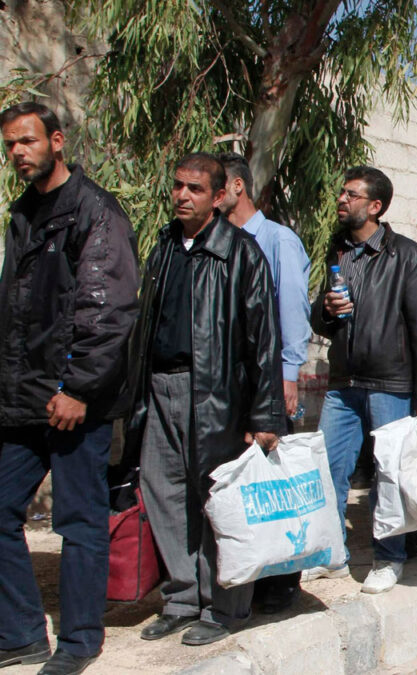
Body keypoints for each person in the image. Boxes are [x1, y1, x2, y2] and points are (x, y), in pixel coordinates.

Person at [0, 102, 139, 675]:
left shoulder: (95, 212)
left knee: (79, 523)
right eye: (10, 146)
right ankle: (23, 632)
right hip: (22, 397)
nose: (18, 154)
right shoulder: (23, 213)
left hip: (74, 401)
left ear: (57, 141)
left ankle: (80, 641)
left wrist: (79, 388)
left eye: (27, 141)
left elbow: (107, 312)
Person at [127, 153, 286, 646]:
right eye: (177, 186)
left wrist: (263, 414)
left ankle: (227, 607)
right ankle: (181, 598)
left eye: (195, 189)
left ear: (219, 197)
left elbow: (263, 339)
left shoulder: (241, 253)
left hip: (215, 394)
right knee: (166, 495)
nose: (182, 196)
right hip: (160, 388)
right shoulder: (165, 246)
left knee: (218, 503)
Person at [305, 167, 417, 594]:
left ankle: (389, 558)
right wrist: (326, 310)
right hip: (343, 383)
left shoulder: (407, 256)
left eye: (352, 194)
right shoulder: (338, 251)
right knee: (329, 471)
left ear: (375, 206)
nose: (342, 200)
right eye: (342, 193)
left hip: (391, 384)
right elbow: (324, 323)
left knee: (389, 474)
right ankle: (332, 556)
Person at [217, 152, 312, 613]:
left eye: (215, 186)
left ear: (237, 187)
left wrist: (288, 375)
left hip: (270, 382)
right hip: (229, 385)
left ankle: (282, 580)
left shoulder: (277, 241)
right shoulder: (217, 242)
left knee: (273, 483)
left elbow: (292, 308)